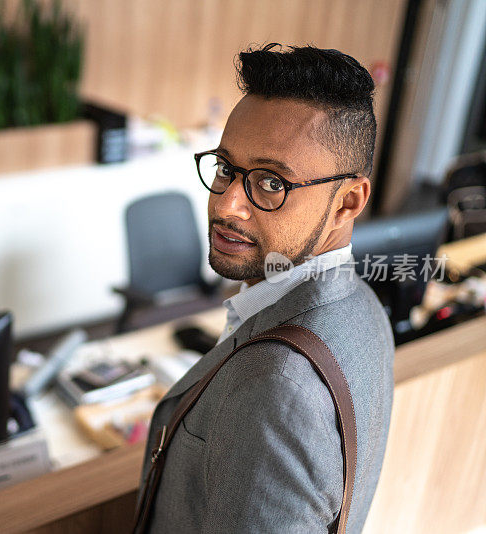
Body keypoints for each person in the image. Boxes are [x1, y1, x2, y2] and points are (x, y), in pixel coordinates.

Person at [137, 44, 394, 532]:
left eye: (272, 182)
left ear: (348, 203)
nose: (228, 203)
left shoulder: (278, 388)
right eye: (225, 168)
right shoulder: (362, 304)